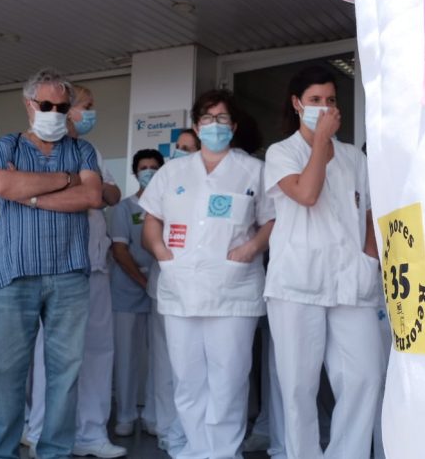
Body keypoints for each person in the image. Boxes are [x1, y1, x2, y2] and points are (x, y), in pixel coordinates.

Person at [141, 89, 275, 459]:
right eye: (207, 119)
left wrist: (250, 248)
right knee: (187, 378)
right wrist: (162, 253)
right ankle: (195, 449)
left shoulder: (254, 170)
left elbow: (272, 220)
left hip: (233, 288)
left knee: (228, 378)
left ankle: (222, 452)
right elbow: (152, 220)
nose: (214, 125)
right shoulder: (172, 172)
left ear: (233, 125)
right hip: (180, 285)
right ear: (197, 127)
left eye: (222, 118)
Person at [263, 67, 383, 459]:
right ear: (297, 104)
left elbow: (369, 211)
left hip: (351, 279)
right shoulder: (281, 153)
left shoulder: (353, 157)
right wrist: (320, 142)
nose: (324, 107)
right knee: (299, 386)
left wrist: (369, 257)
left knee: (365, 377)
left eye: (330, 100)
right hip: (297, 282)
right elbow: (307, 193)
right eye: (315, 100)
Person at [0, 69, 103, 459]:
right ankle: (1, 453)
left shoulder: (82, 149)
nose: (55, 113)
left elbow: (92, 197)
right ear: (29, 104)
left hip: (69, 274)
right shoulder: (8, 144)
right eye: (46, 105)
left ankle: (55, 452)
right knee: (7, 374)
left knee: (65, 374)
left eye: (62, 107)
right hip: (14, 273)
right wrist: (68, 181)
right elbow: (2, 186)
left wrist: (30, 194)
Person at [24, 83, 124, 459]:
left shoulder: (89, 150)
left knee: (98, 349)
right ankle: (41, 431)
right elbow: (43, 196)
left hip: (94, 265)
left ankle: (92, 432)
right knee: (52, 354)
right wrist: (83, 188)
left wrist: (86, 189)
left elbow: (108, 195)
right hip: (54, 265)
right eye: (87, 106)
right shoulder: (35, 148)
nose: (91, 113)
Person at [109, 149, 163, 438]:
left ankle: (154, 414)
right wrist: (144, 282)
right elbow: (119, 250)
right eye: (144, 167)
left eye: (154, 167)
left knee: (159, 356)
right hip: (128, 289)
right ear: (135, 172)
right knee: (126, 355)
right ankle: (126, 414)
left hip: (161, 290)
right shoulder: (123, 208)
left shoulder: (169, 206)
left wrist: (155, 284)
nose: (149, 172)